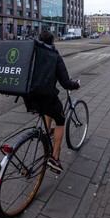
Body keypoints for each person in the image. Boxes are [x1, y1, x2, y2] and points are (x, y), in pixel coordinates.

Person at [33, 30, 80, 173]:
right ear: (52, 42)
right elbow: (65, 83)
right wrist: (76, 84)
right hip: (46, 96)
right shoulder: (54, 55)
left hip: (30, 97)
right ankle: (54, 158)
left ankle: (47, 132)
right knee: (60, 119)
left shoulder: (33, 53)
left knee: (49, 108)